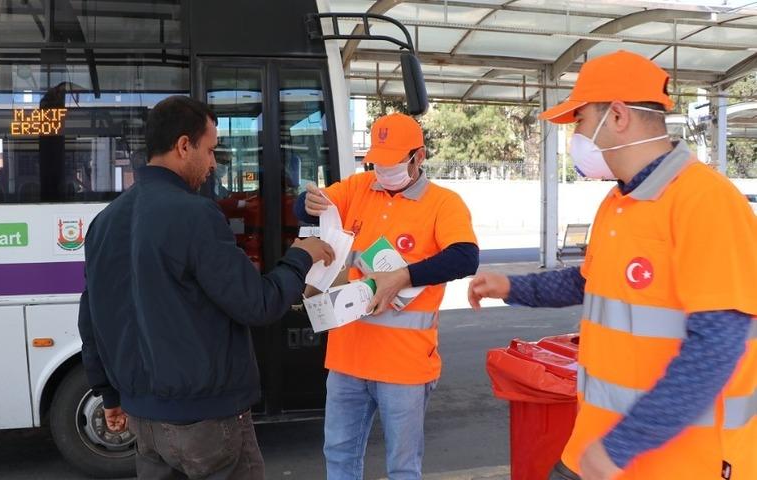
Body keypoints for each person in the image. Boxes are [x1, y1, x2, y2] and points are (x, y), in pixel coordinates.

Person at [468, 50, 757, 480]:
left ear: (618, 116)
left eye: (581, 121)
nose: (577, 138)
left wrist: (620, 448)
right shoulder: (619, 201)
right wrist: (510, 287)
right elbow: (589, 282)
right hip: (600, 448)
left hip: (681, 461)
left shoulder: (706, 202)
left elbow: (716, 346)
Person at [78, 95, 335, 480]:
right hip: (206, 422)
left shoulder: (104, 222)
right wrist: (301, 256)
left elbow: (92, 318)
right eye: (211, 150)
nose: (214, 163)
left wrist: (109, 394)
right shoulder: (196, 215)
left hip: (142, 420)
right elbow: (258, 304)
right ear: (184, 146)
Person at [294, 112, 480, 480]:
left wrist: (403, 276)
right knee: (339, 457)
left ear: (419, 156)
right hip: (347, 358)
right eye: (377, 161)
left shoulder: (444, 203)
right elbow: (308, 206)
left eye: (392, 162)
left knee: (402, 468)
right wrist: (306, 202)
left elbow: (466, 256)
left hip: (404, 366)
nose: (383, 169)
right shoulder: (358, 187)